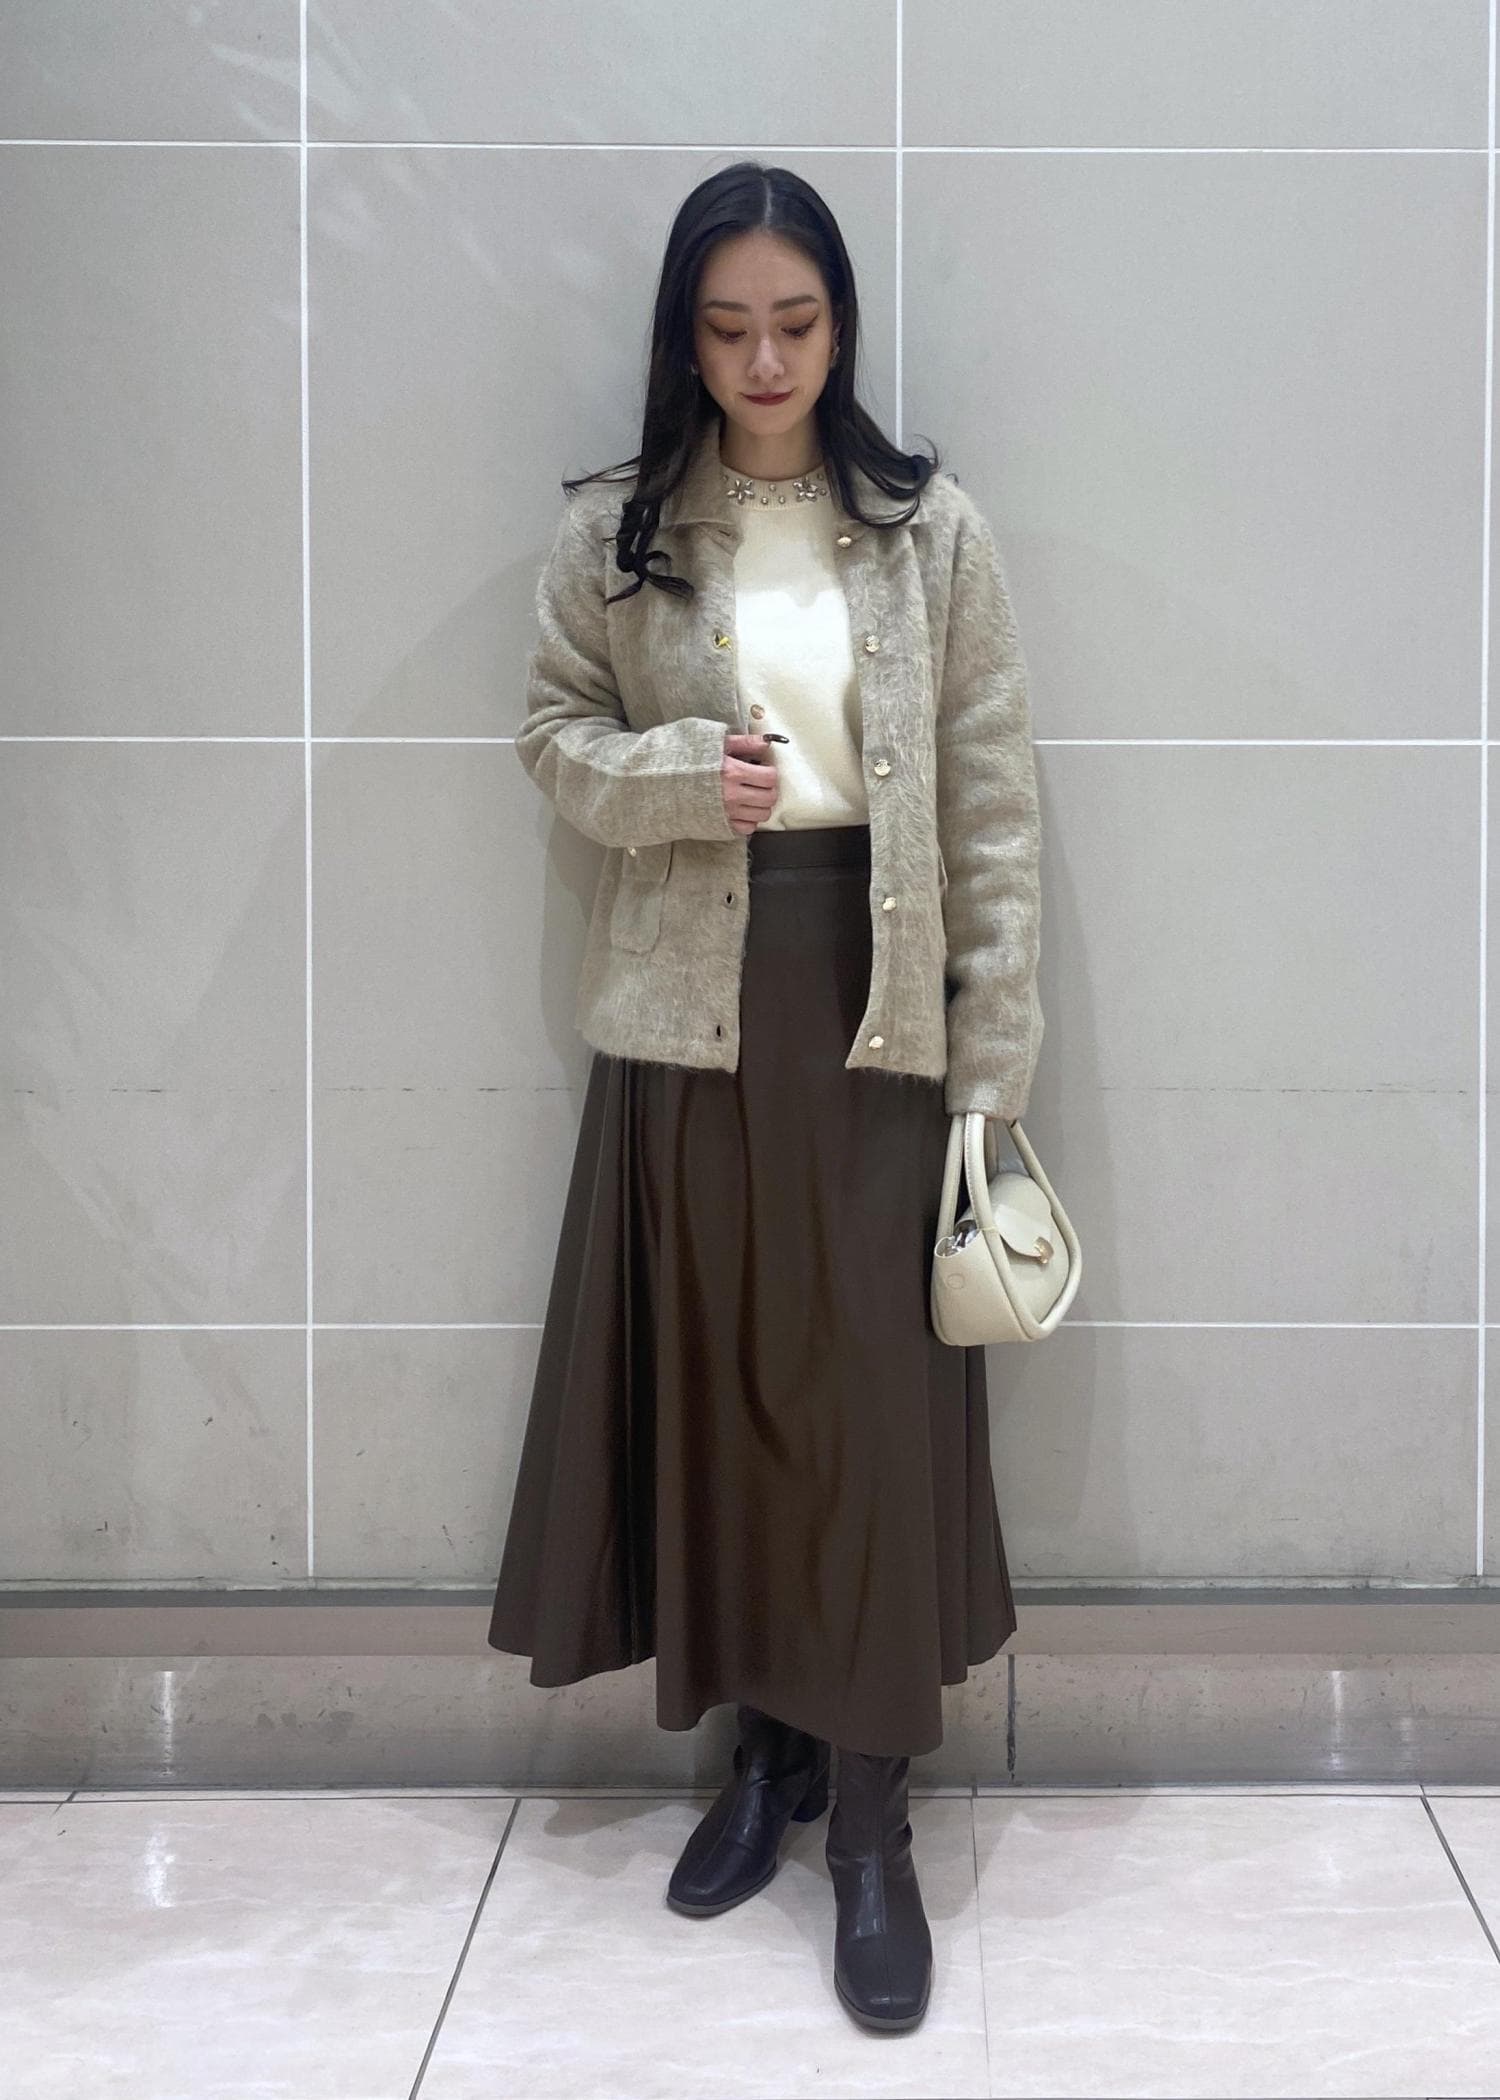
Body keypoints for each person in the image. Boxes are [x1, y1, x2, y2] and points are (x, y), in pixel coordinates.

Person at [487, 159, 1044, 2036]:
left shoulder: (929, 533)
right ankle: (767, 1758)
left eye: (795, 322)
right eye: (728, 328)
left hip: (874, 1013)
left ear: (841, 323)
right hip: (689, 1018)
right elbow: (550, 733)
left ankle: (873, 1822)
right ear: (686, 337)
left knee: (871, 1418)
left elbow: (990, 808)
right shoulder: (620, 528)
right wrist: (671, 777)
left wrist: (992, 1067)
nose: (765, 360)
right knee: (725, 1398)